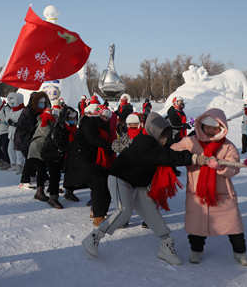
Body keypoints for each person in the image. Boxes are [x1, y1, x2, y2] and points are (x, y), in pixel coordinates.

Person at [82, 112, 207, 265]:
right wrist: (194, 158)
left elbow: (172, 149)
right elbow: (168, 157)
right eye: (163, 133)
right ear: (155, 131)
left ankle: (165, 246)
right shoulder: (144, 142)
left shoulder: (153, 142)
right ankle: (94, 237)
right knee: (124, 210)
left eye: (166, 133)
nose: (165, 136)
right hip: (119, 179)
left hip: (137, 185)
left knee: (152, 212)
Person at [171, 108, 247, 266]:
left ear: (222, 128)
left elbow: (234, 167)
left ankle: (240, 252)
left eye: (215, 129)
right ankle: (196, 251)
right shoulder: (191, 141)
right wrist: (194, 158)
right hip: (197, 194)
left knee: (234, 227)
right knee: (196, 229)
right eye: (207, 128)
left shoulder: (228, 146)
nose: (210, 131)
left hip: (222, 195)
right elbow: (174, 151)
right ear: (201, 126)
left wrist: (220, 167)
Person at [63, 104, 113, 226]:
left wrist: (113, 148)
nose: (105, 120)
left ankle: (97, 211)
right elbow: (93, 139)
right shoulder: (88, 123)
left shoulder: (101, 126)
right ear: (96, 115)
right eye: (103, 117)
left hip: (91, 158)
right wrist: (110, 146)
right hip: (81, 159)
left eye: (107, 118)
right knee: (99, 183)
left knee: (106, 182)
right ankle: (98, 216)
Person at [15, 91, 50, 189]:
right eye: (40, 102)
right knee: (31, 159)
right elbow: (32, 127)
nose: (42, 104)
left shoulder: (37, 111)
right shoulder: (28, 111)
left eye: (44, 102)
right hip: (23, 140)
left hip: (30, 140)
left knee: (31, 159)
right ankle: (24, 181)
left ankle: (43, 177)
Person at [28, 108, 59, 203]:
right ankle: (39, 192)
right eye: (55, 117)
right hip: (36, 150)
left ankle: (44, 189)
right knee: (41, 171)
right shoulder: (44, 123)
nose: (56, 119)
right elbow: (50, 136)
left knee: (43, 171)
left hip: (36, 150)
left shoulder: (44, 122)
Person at [6, 92, 25, 174]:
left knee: (18, 151)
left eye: (14, 102)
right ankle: (13, 164)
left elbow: (23, 121)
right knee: (10, 149)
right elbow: (7, 117)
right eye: (12, 103)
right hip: (11, 133)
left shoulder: (23, 110)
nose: (13, 104)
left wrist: (15, 123)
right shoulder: (12, 110)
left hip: (19, 133)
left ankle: (19, 166)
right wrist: (9, 121)